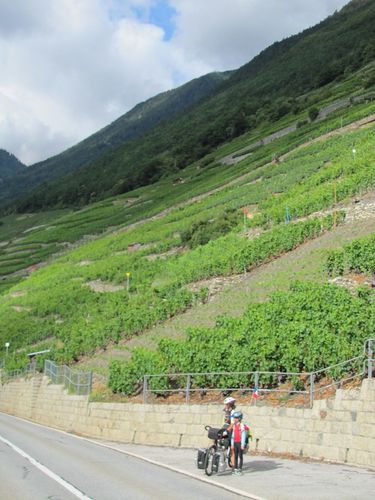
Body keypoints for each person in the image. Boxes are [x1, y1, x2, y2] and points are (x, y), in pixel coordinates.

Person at [230, 411, 247, 476]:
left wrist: (242, 444)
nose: (234, 419)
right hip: (235, 442)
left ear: (239, 418)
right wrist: (232, 444)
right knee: (236, 456)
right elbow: (233, 435)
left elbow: (243, 435)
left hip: (240, 443)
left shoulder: (242, 425)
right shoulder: (234, 425)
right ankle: (235, 469)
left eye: (236, 418)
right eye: (234, 418)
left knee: (240, 456)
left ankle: (240, 469)